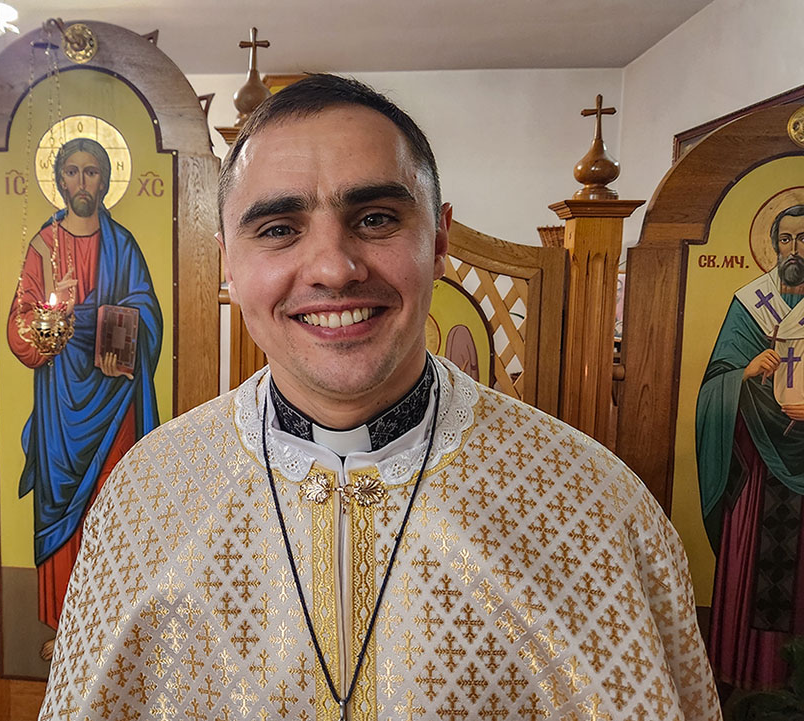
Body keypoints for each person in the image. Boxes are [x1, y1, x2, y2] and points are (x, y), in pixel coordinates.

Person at [39, 75, 719, 720]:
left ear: (440, 236)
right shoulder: (146, 499)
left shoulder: (590, 507)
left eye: (375, 218)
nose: (334, 267)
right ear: (226, 260)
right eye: (278, 229)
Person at [7, 137, 163, 635]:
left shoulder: (124, 245)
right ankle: (61, 624)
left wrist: (99, 319)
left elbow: (149, 313)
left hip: (115, 402)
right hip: (60, 403)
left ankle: (109, 622)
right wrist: (47, 328)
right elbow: (19, 322)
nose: (81, 183)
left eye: (91, 172)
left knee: (111, 503)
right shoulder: (43, 246)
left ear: (105, 181)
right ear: (58, 180)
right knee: (59, 504)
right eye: (72, 172)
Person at [696, 204, 804, 690]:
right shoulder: (750, 306)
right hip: (758, 471)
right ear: (774, 245)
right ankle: (744, 679)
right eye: (786, 240)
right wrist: (744, 376)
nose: (795, 251)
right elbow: (713, 384)